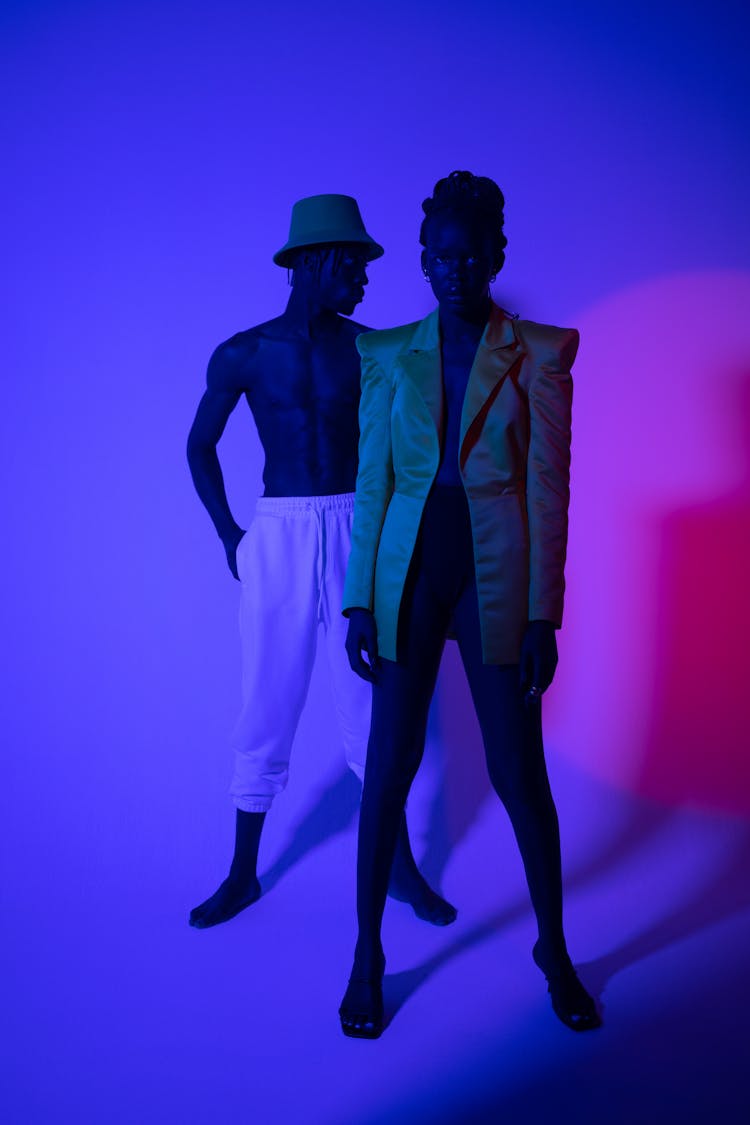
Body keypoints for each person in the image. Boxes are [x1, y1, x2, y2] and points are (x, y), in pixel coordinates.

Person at [339, 171, 600, 1037]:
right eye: (439, 254)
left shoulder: (540, 351)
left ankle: (554, 949)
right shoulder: (384, 355)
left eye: (469, 252)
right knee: (388, 767)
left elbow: (549, 488)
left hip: (496, 576)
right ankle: (368, 954)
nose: (454, 267)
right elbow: (371, 483)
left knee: (519, 773)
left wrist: (542, 615)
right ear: (423, 258)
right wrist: (358, 603)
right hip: (410, 574)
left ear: (497, 254)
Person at [187, 194, 456, 930]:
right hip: (275, 533)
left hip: (354, 528)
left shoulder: (373, 348)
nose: (367, 277)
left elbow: (410, 454)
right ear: (317, 262)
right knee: (265, 703)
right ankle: (242, 873)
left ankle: (401, 872)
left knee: (370, 705)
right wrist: (229, 535)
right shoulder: (243, 352)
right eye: (356, 264)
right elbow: (198, 446)